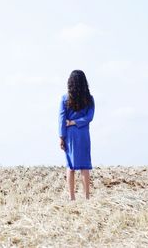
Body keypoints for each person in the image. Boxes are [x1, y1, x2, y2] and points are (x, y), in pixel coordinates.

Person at [58, 69, 95, 200]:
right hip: (83, 133)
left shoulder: (64, 98)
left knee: (70, 166)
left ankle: (72, 197)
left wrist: (61, 136)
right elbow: (89, 117)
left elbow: (62, 119)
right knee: (85, 166)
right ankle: (86, 197)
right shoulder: (89, 99)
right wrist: (78, 122)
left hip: (70, 136)